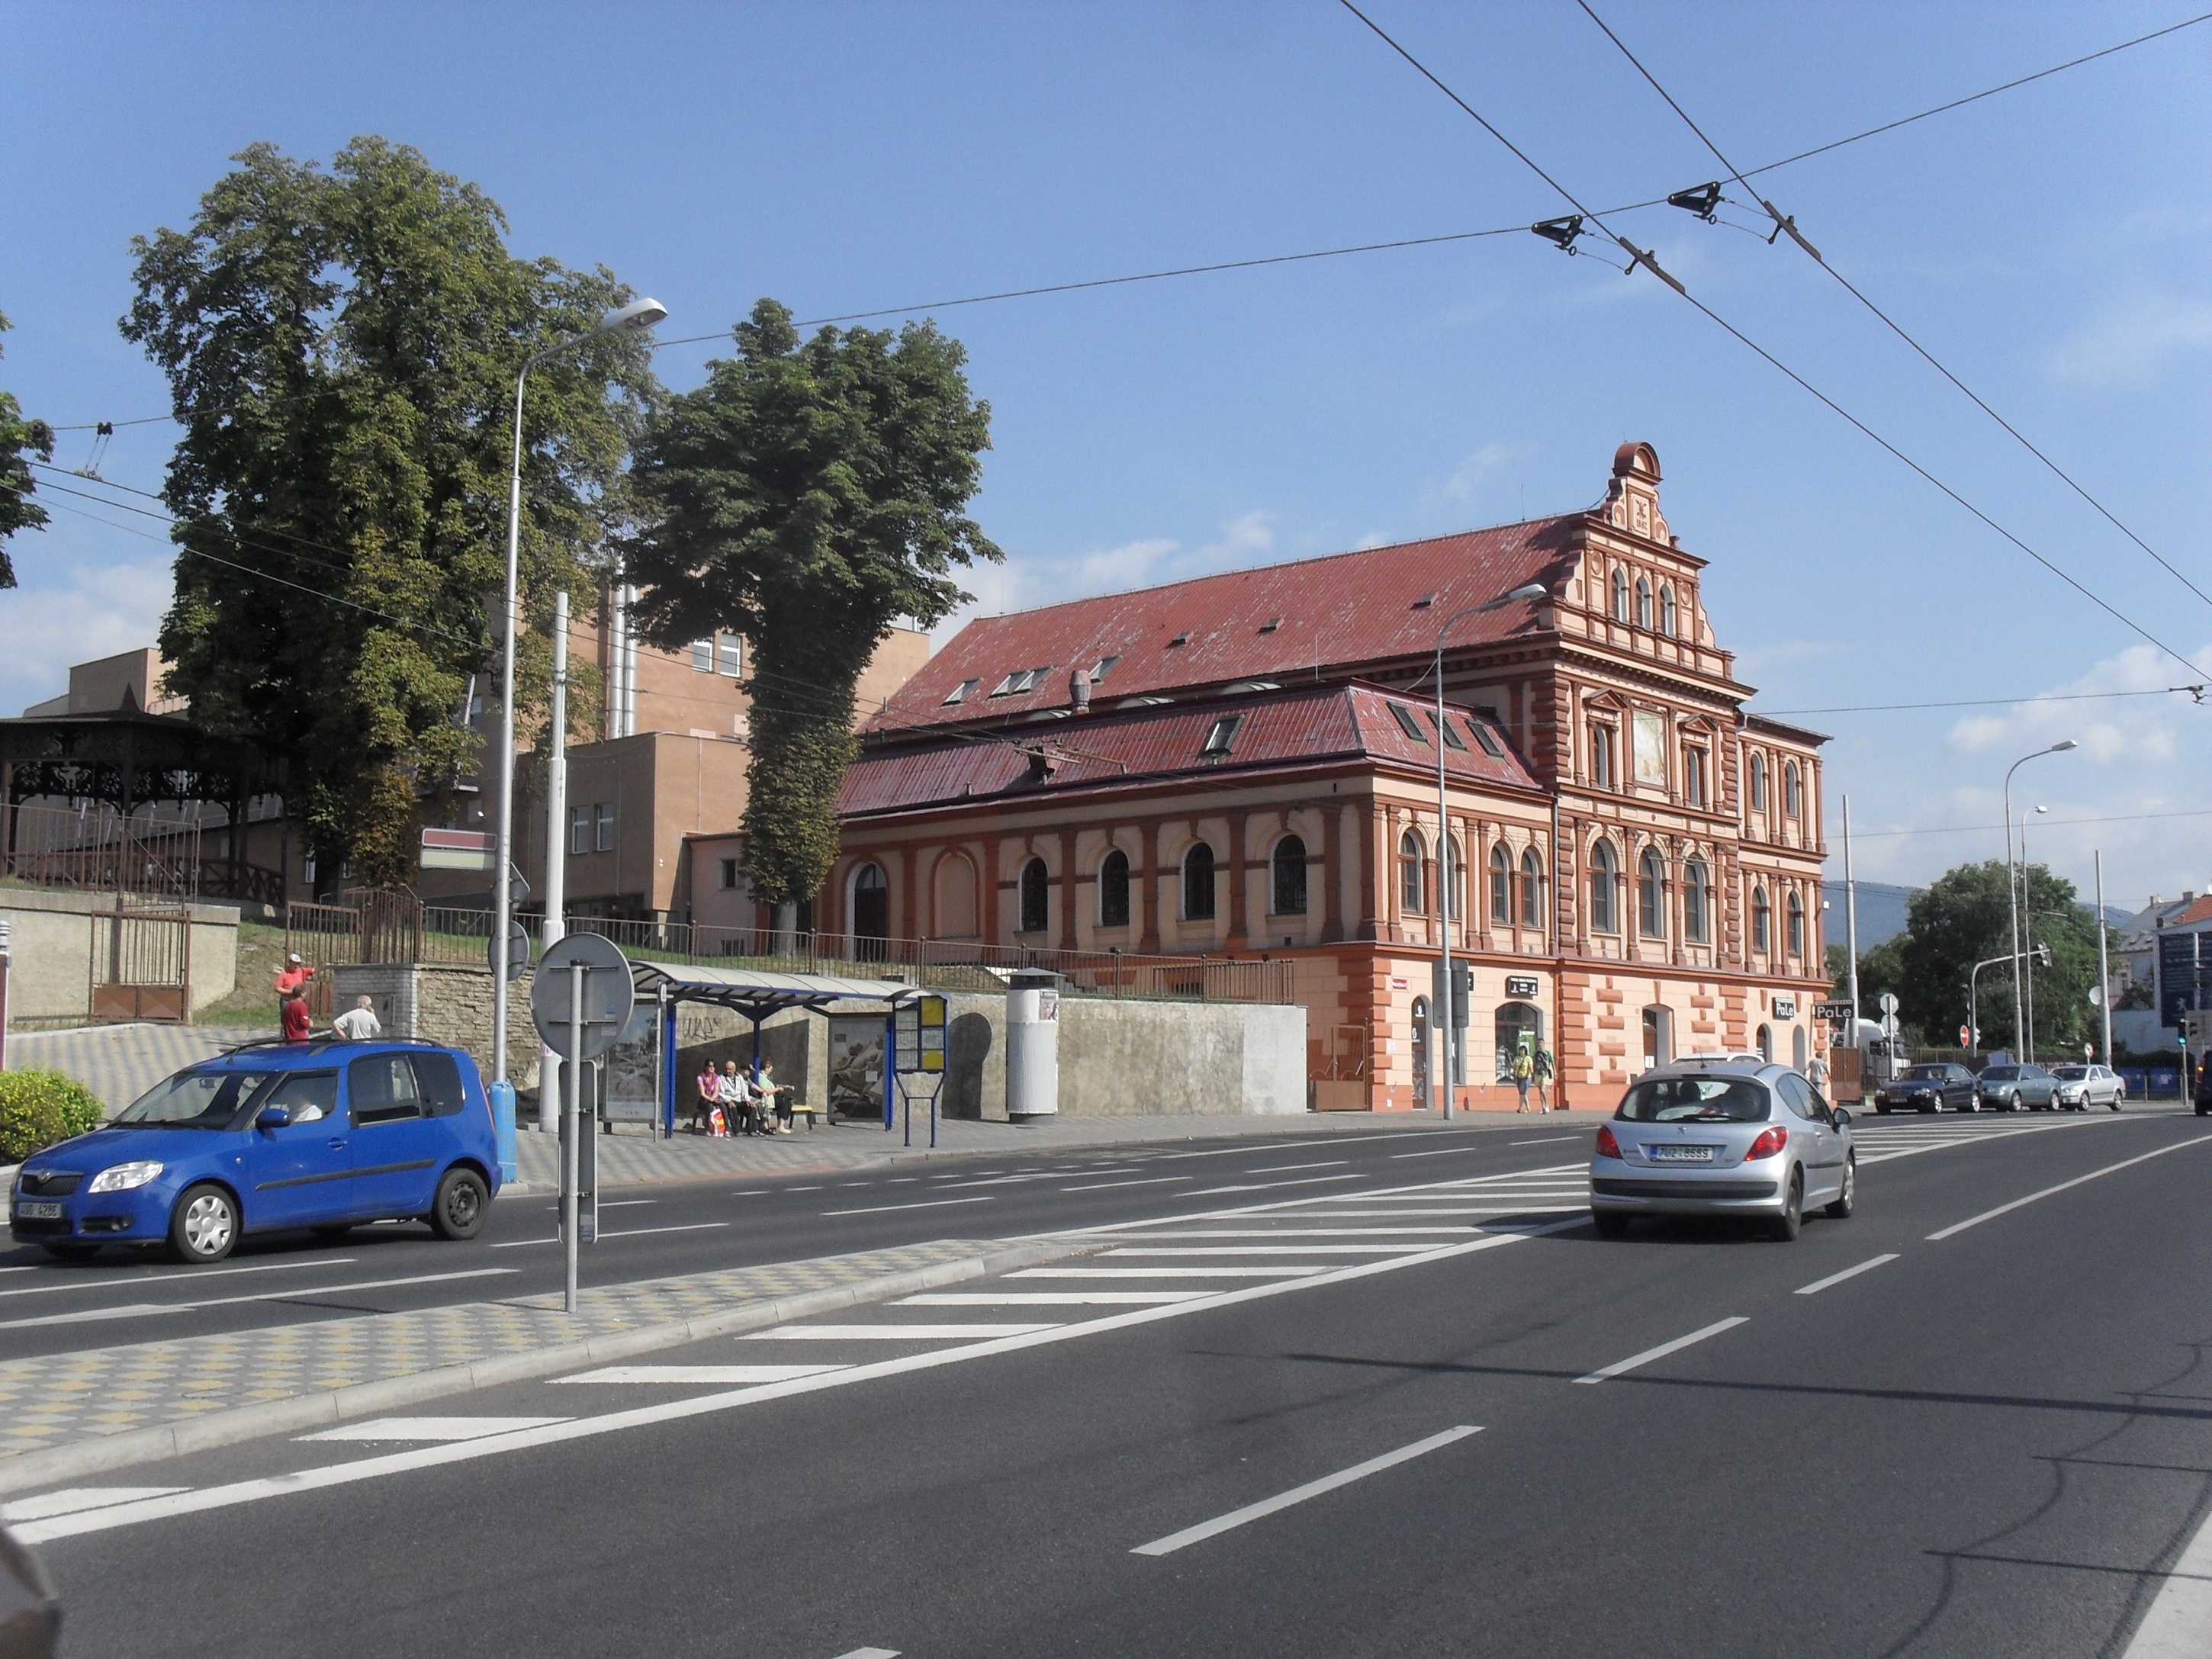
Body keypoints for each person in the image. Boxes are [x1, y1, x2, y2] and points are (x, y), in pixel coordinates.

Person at [717, 1060, 755, 1135]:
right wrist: (728, 1101)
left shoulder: (739, 1077)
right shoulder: (721, 1078)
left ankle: (751, 1130)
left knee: (752, 1108)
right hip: (729, 1101)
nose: (728, 1071)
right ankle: (737, 1130)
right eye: (726, 1069)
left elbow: (744, 1090)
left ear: (734, 1070)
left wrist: (747, 1100)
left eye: (730, 1069)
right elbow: (721, 1093)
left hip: (739, 1100)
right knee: (732, 1108)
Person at [757, 1058, 793, 1133]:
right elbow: (765, 1090)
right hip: (768, 1098)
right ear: (766, 1068)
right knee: (782, 1104)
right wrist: (777, 1089)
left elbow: (772, 1086)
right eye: (770, 1067)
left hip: (772, 1096)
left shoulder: (768, 1077)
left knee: (788, 1101)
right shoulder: (761, 1077)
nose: (772, 1069)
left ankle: (781, 1124)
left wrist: (782, 1087)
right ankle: (780, 1126)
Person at [693, 1061, 722, 1134]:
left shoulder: (716, 1078)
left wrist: (713, 1098)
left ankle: (726, 1128)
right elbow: (702, 1093)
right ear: (706, 1067)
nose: (712, 1068)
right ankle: (707, 1128)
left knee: (722, 1105)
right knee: (709, 1106)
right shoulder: (700, 1078)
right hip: (703, 1100)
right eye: (710, 1066)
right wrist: (711, 1100)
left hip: (712, 1098)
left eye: (713, 1066)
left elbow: (716, 1091)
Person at [1510, 1047, 1534, 1113]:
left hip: (1526, 1078)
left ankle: (1520, 1108)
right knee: (1523, 1093)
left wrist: (1532, 1072)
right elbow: (1514, 1067)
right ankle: (1528, 1108)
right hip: (1519, 1077)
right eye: (1520, 1050)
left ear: (1525, 1051)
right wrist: (1512, 1071)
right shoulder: (1517, 1058)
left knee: (1522, 1093)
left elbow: (1531, 1067)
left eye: (1522, 1050)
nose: (1521, 1051)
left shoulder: (1528, 1058)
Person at [1532, 1043, 1556, 1112]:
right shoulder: (1536, 1053)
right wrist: (1533, 1073)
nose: (1539, 1046)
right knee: (1540, 1091)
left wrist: (1555, 1072)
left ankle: (1547, 1105)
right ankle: (1543, 1108)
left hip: (1545, 1073)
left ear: (1543, 1044)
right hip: (1538, 1073)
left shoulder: (1548, 1053)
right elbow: (1534, 1063)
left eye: (1541, 1044)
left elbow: (1552, 1063)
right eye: (1538, 1045)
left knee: (1543, 1090)